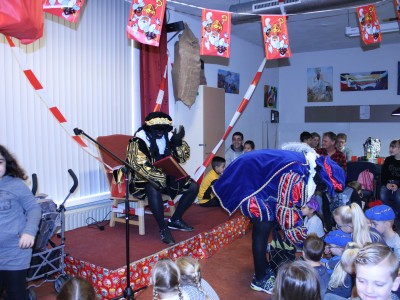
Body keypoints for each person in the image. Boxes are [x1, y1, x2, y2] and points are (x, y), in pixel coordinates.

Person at [213, 142, 345, 294]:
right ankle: (260, 279)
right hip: (248, 181)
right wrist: (305, 242)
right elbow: (285, 211)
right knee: (262, 227)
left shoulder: (308, 164)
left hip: (255, 179)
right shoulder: (299, 173)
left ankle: (261, 266)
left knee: (265, 225)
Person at [126, 112, 199, 245]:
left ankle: (175, 220)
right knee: (153, 187)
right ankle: (163, 228)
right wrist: (157, 175)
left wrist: (178, 143)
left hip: (167, 177)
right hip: (144, 179)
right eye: (157, 129)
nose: (160, 132)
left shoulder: (168, 135)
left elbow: (183, 158)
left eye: (163, 129)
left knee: (193, 187)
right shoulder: (139, 138)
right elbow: (137, 164)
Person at [0, 145, 41, 300]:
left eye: (0, 161)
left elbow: (34, 208)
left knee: (15, 293)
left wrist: (29, 232)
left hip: (14, 251)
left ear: (7, 164)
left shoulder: (15, 185)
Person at [380, 140, 400, 215]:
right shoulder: (388, 159)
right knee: (383, 195)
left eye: (393, 147)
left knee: (398, 197)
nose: (391, 149)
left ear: (399, 149)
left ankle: (396, 213)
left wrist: (397, 186)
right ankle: (388, 213)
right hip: (388, 182)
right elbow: (383, 174)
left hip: (398, 184)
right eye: (390, 147)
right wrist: (386, 184)